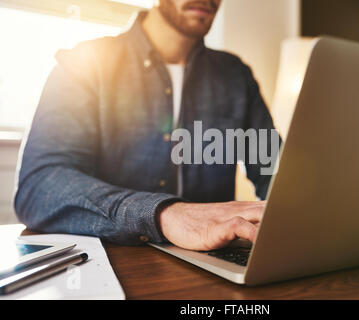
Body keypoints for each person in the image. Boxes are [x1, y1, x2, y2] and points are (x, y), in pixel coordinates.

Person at [14, 0, 280, 251]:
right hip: (115, 265)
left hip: (216, 264)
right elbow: (39, 186)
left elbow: (274, 170)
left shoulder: (235, 74)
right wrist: (164, 214)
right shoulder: (85, 62)